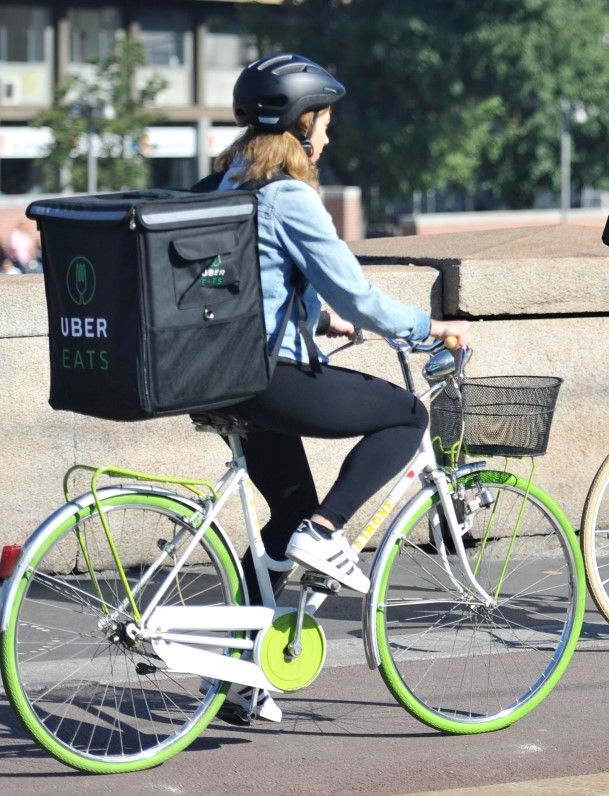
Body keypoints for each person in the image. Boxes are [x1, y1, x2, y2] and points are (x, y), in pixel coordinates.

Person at [209, 53, 471, 722]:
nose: (327, 136)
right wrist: (425, 327)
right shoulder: (290, 195)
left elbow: (256, 281)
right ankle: (328, 534)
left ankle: (245, 670)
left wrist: (313, 319)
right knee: (406, 415)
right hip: (271, 378)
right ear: (302, 124)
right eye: (323, 123)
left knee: (283, 516)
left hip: (225, 377)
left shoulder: (229, 182)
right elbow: (355, 290)